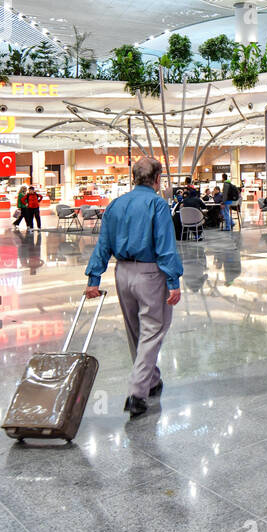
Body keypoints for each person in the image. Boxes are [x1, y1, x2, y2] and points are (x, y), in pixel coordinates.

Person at [84, 156, 183, 417]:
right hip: (150, 273)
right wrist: (173, 280)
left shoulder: (115, 205)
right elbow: (165, 246)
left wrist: (94, 278)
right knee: (153, 329)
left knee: (136, 330)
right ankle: (137, 393)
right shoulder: (157, 205)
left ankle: (151, 380)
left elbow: (103, 244)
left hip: (123, 272)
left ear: (133, 178)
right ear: (158, 179)